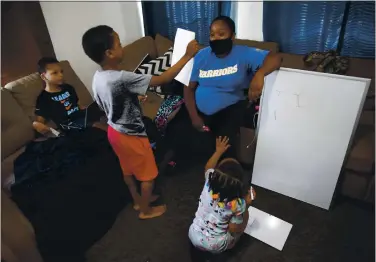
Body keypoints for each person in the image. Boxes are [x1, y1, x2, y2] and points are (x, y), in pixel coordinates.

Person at [81, 25, 199, 219]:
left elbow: (108, 102)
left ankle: (138, 200)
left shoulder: (98, 78)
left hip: (114, 132)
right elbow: (163, 78)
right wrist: (186, 55)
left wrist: (133, 99)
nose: (123, 48)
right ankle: (146, 210)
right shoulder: (122, 78)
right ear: (109, 53)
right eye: (119, 44)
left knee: (127, 170)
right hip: (132, 135)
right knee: (148, 175)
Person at [184, 15, 282, 159]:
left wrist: (259, 74)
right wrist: (194, 117)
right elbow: (189, 88)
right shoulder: (201, 56)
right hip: (201, 112)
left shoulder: (243, 53)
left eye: (221, 34)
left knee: (225, 149)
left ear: (232, 36)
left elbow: (276, 58)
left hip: (229, 110)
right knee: (181, 138)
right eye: (212, 35)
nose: (216, 38)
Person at [188, 136, 256, 253]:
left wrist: (218, 152)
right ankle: (232, 245)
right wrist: (246, 205)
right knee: (239, 225)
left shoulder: (209, 182)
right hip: (215, 246)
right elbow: (234, 228)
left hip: (193, 234)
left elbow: (208, 167)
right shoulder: (238, 204)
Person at [33, 57, 107, 136]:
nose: (61, 75)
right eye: (55, 73)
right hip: (69, 125)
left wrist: (89, 110)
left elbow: (78, 105)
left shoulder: (68, 88)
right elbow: (39, 121)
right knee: (96, 126)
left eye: (61, 71)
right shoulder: (43, 98)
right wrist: (36, 124)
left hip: (81, 116)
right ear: (43, 77)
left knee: (104, 110)